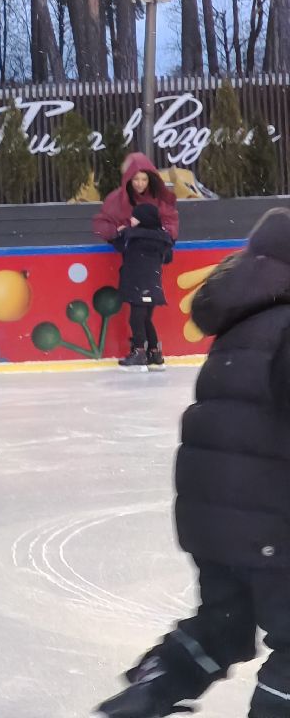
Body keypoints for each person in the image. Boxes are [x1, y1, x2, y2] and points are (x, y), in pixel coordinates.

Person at [96, 207, 290, 718]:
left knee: (222, 627)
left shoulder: (245, 320)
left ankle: (139, 700)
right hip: (272, 528)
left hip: (215, 524)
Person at [113, 202, 175, 371]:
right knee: (146, 318)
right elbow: (168, 258)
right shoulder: (162, 238)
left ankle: (140, 352)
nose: (131, 219)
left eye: (134, 217)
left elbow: (119, 245)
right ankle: (155, 353)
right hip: (153, 283)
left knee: (136, 318)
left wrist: (119, 233)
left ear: (142, 219)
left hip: (138, 283)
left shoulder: (132, 236)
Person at [92, 151, 181, 245]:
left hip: (155, 249)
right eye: (136, 179)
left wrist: (164, 231)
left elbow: (171, 223)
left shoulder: (160, 198)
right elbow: (101, 224)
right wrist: (115, 230)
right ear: (129, 179)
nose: (140, 184)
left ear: (150, 179)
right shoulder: (115, 199)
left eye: (144, 179)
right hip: (126, 249)